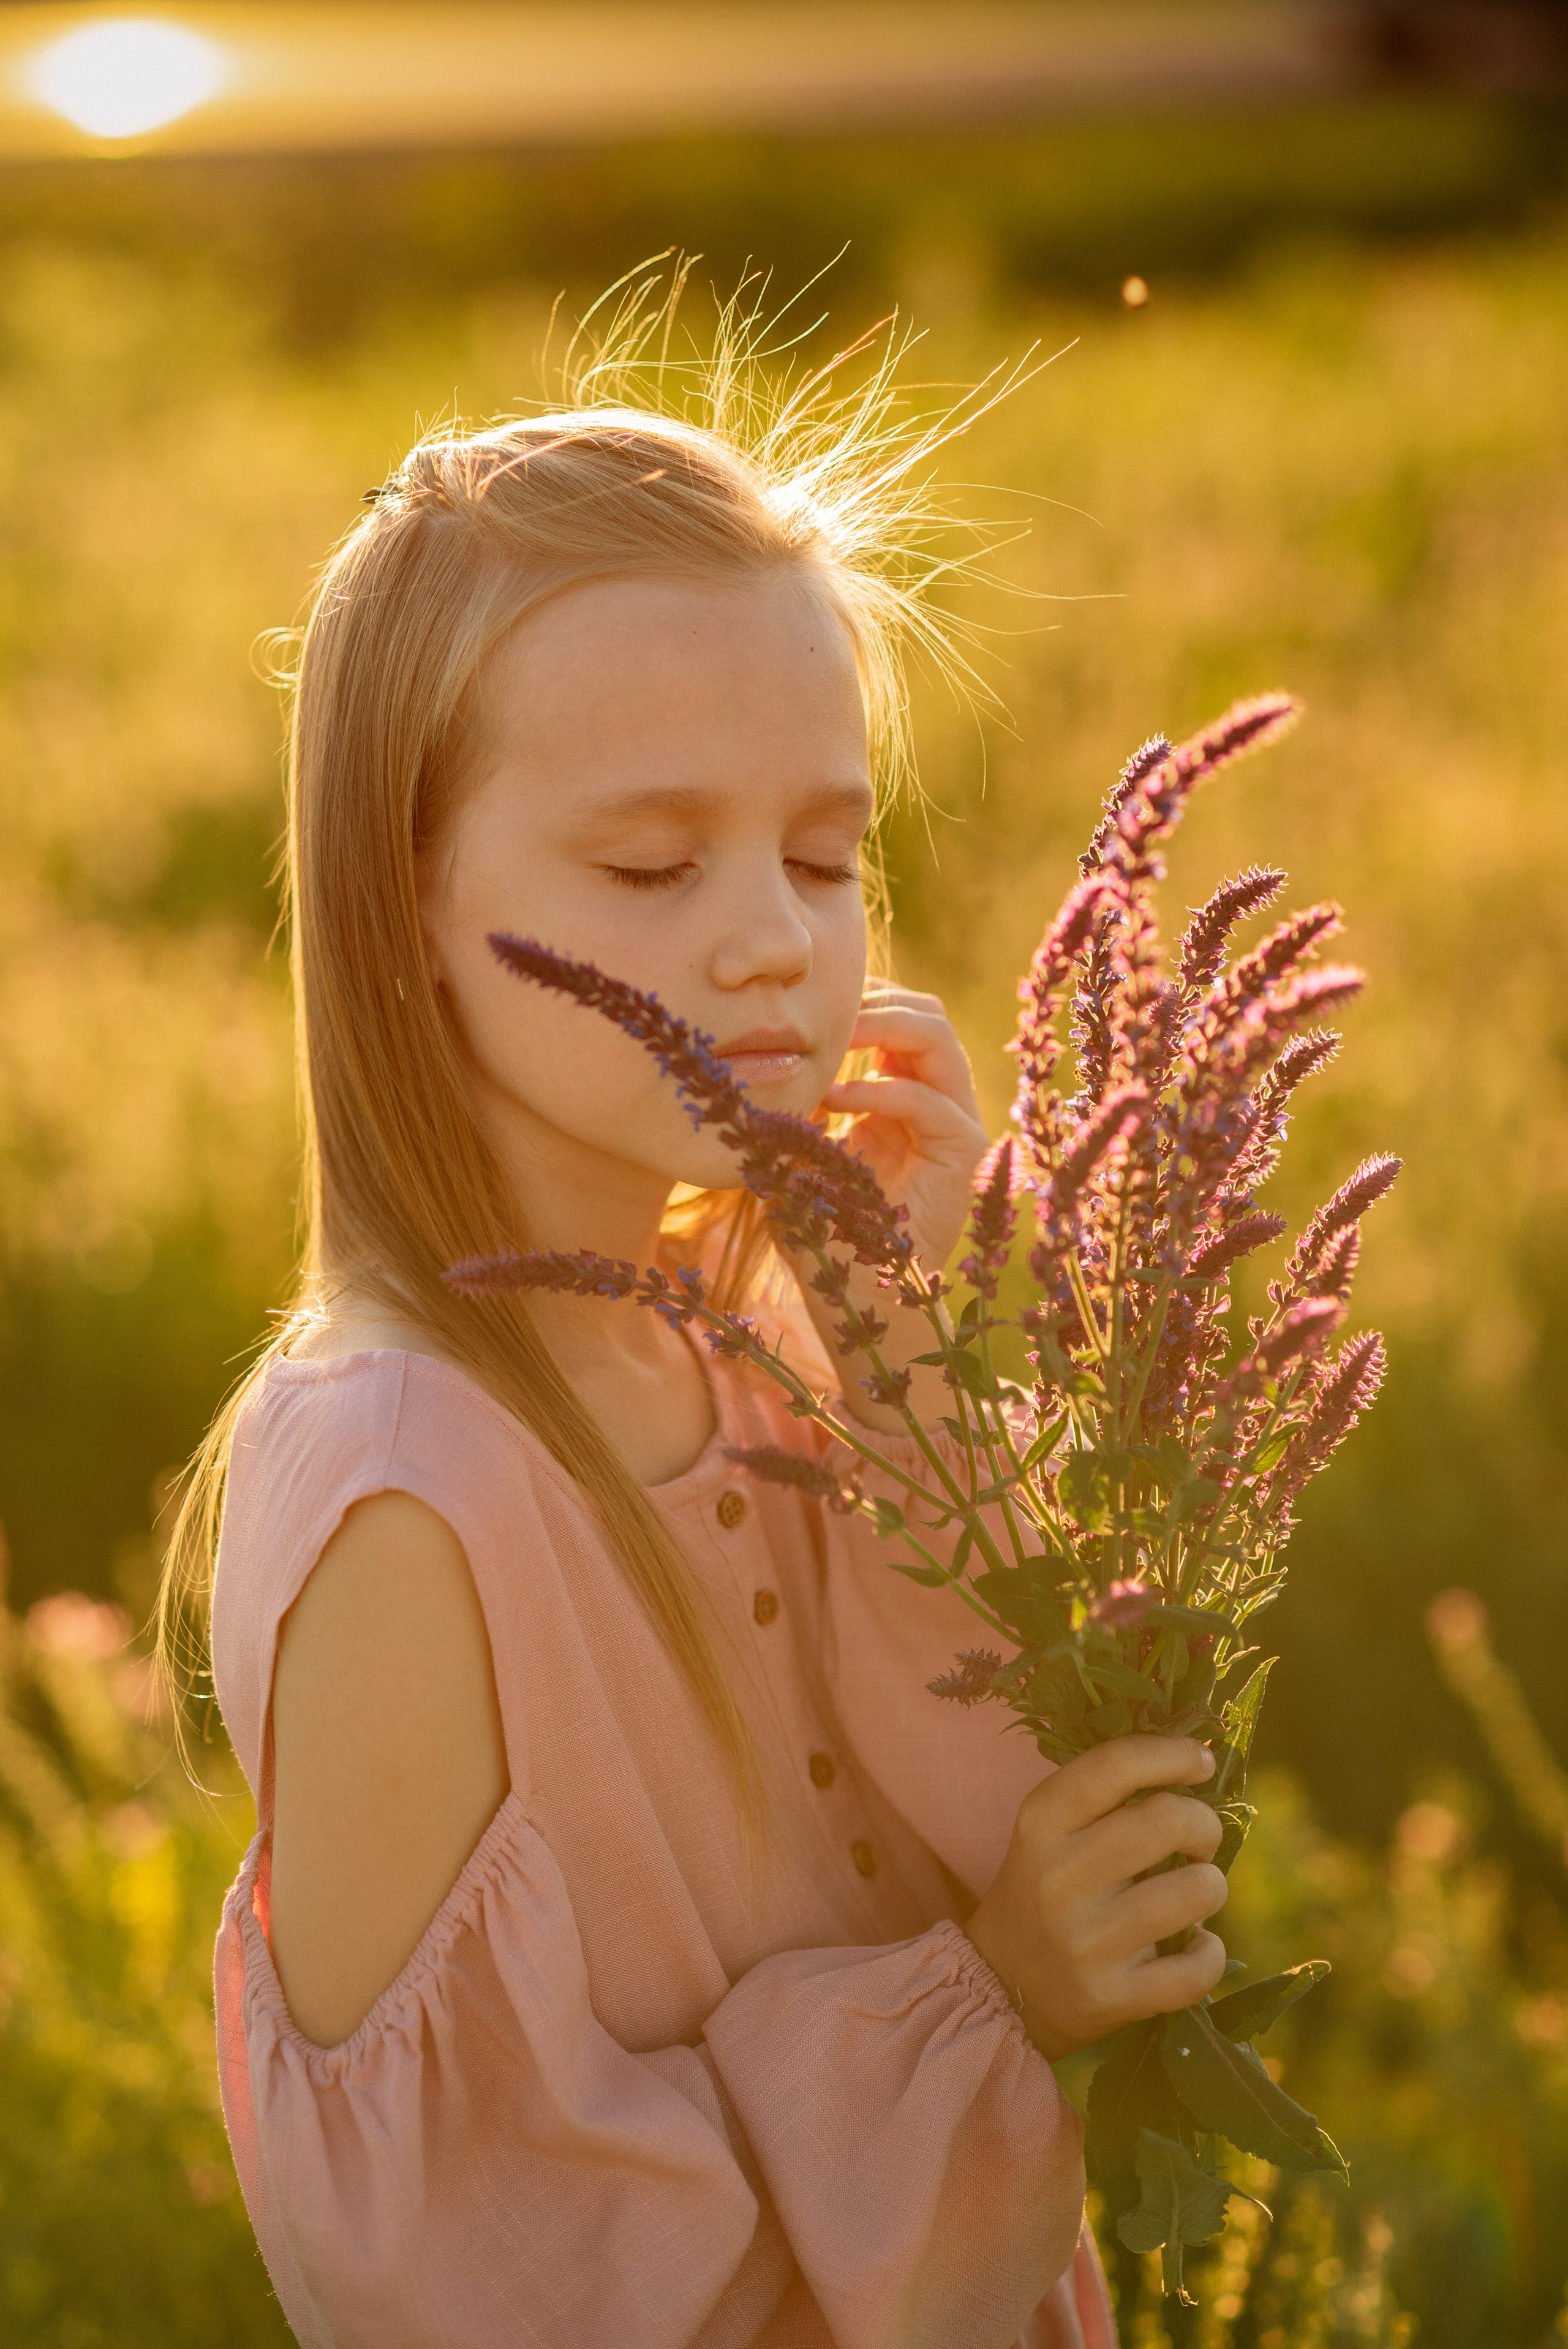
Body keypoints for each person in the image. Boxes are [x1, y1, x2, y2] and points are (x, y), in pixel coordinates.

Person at [164, 293, 1229, 2348]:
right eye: (652, 861)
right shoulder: (415, 1498)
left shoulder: (760, 1328)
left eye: (827, 854)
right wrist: (981, 2001)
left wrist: (903, 1341)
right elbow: (494, 2278)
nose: (767, 935)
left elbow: (1038, 1807)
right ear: (403, 906)